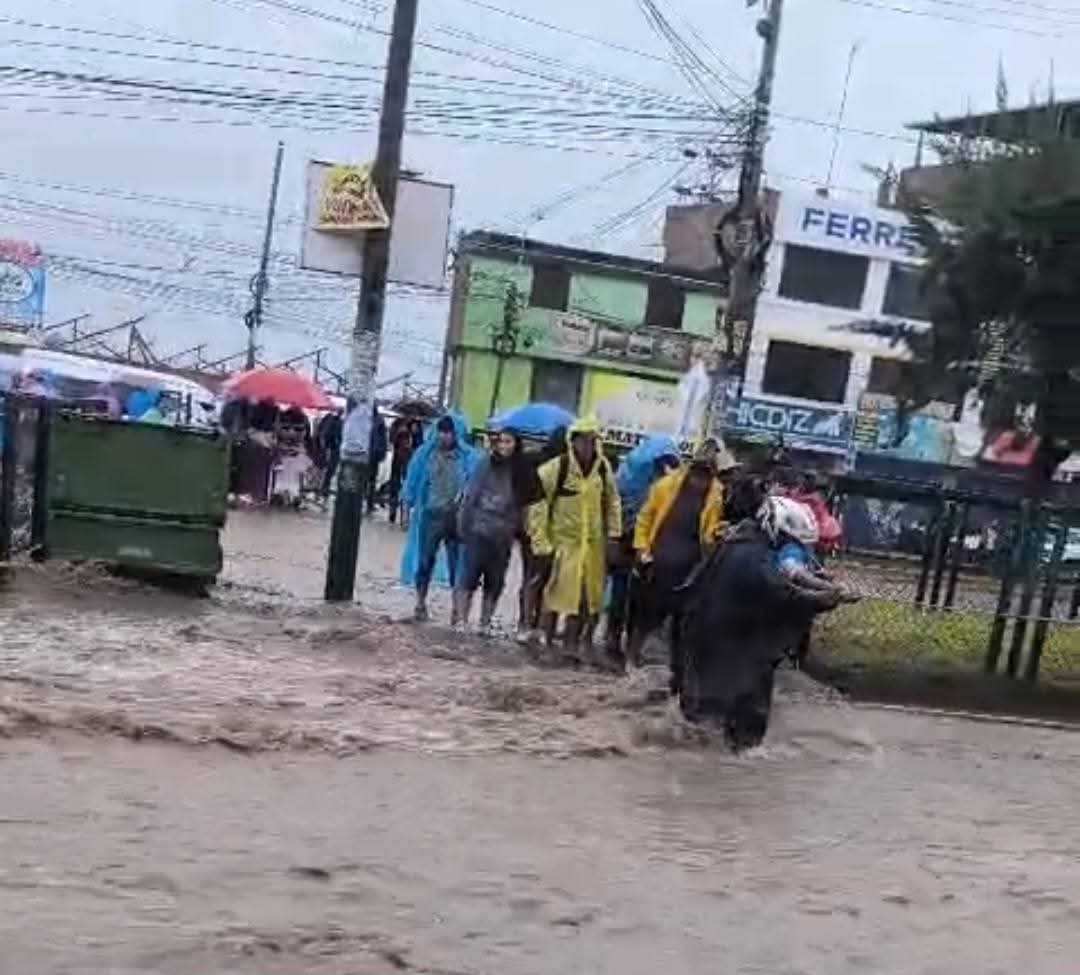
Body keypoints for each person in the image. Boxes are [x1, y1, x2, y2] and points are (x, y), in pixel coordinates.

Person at [678, 496, 847, 751]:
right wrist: (823, 599)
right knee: (746, 720)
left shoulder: (742, 544)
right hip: (731, 644)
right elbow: (781, 593)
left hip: (711, 636)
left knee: (703, 717)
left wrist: (818, 588)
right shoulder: (753, 557)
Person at [527, 418, 621, 664]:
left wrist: (614, 534)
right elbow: (538, 507)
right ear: (574, 441)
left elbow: (612, 501)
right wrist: (541, 543)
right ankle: (546, 641)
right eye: (584, 440)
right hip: (562, 545)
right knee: (554, 597)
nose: (588, 446)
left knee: (585, 600)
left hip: (592, 548)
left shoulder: (603, 469)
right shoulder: (555, 468)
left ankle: (571, 645)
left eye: (593, 440)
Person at [630, 450, 725, 687]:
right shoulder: (665, 486)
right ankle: (632, 658)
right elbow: (645, 517)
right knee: (646, 615)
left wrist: (713, 542)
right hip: (657, 562)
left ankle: (677, 671)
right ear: (689, 470)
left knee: (682, 623)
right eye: (697, 474)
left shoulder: (717, 494)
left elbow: (710, 532)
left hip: (690, 570)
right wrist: (641, 548)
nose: (700, 481)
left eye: (706, 475)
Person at [605, 436, 681, 669]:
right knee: (623, 596)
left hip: (644, 548)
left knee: (634, 599)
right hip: (630, 544)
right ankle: (617, 642)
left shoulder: (663, 486)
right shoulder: (634, 482)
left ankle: (625, 645)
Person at [455, 426, 540, 633]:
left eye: (508, 442)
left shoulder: (521, 470)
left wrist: (523, 530)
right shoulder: (486, 463)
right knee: (469, 576)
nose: (504, 446)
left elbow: (526, 504)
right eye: (501, 441)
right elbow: (471, 494)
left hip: (503, 535)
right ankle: (462, 620)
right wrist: (463, 522)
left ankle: (485, 622)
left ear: (516, 445)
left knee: (495, 581)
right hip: (479, 528)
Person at [402, 413, 478, 622]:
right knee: (424, 561)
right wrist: (406, 512)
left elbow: (476, 487)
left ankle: (457, 610)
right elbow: (411, 483)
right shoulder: (424, 455)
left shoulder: (469, 458)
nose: (444, 436)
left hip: (457, 519)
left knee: (458, 566)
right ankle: (420, 603)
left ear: (456, 434)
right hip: (431, 515)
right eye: (441, 432)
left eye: (448, 432)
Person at [516, 426, 568, 644]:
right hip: (546, 527)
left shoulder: (531, 460)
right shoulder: (561, 466)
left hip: (529, 526)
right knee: (545, 579)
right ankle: (537, 625)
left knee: (532, 576)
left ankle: (526, 623)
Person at [386, 414, 417, 525]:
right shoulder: (397, 423)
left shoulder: (416, 424)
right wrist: (399, 432)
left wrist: (414, 434)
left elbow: (419, 444)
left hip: (409, 459)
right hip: (397, 458)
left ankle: (404, 514)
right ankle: (392, 511)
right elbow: (391, 439)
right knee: (395, 485)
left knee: (407, 486)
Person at [315, 409, 343, 499]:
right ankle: (322, 489)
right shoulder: (333, 420)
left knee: (328, 471)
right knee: (328, 470)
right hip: (332, 449)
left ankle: (322, 489)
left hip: (332, 449)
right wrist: (325, 448)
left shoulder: (333, 420)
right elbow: (324, 435)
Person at [366, 404, 388, 515]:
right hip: (370, 453)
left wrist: (382, 452)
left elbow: (383, 438)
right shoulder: (378, 420)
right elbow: (383, 438)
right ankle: (368, 503)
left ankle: (368, 503)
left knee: (370, 480)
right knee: (370, 480)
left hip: (371, 453)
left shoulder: (376, 420)